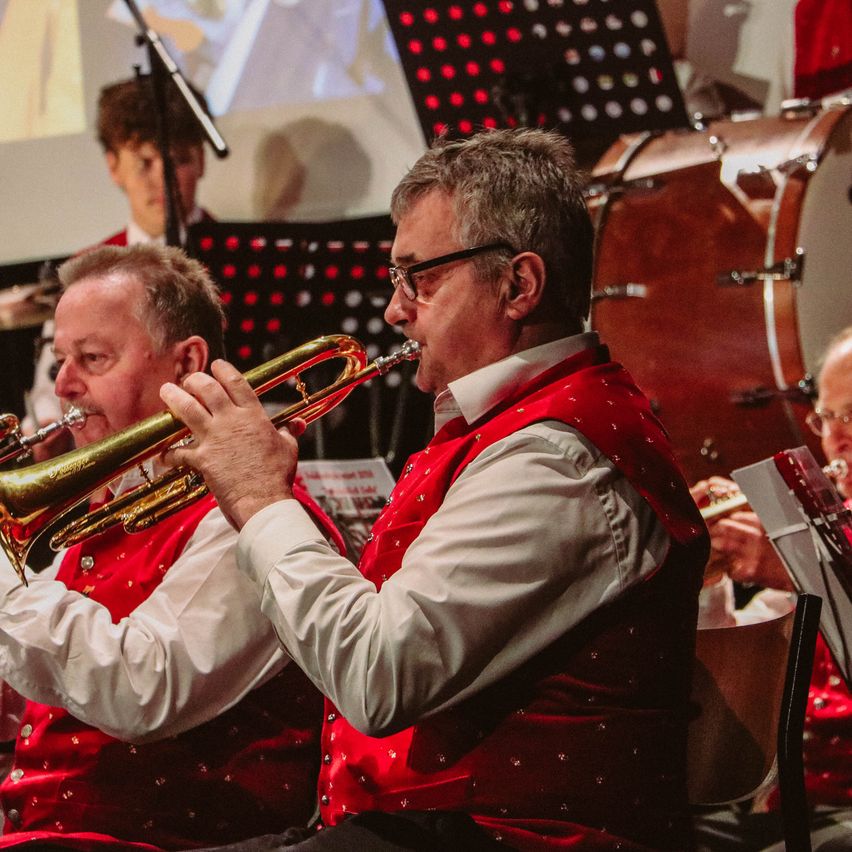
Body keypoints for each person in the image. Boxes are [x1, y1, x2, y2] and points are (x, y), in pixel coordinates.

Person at [160, 127, 710, 851]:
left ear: (518, 286)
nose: (395, 310)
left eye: (419, 277)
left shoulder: (557, 457)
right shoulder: (504, 430)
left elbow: (378, 677)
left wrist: (263, 500)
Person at [0, 244, 345, 849]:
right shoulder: (106, 510)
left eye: (93, 358)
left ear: (186, 362)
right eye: (59, 361)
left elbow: (141, 689)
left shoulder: (247, 522)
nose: (64, 385)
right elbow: (36, 685)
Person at [691, 327, 852, 851]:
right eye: (827, 417)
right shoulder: (825, 525)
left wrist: (798, 569)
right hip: (784, 804)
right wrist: (707, 578)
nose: (836, 440)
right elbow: (735, 702)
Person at [26, 74, 212, 449]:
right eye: (144, 163)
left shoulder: (254, 255)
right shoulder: (85, 273)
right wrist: (48, 430)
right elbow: (49, 396)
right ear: (114, 167)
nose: (163, 179)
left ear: (201, 161)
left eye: (178, 160)